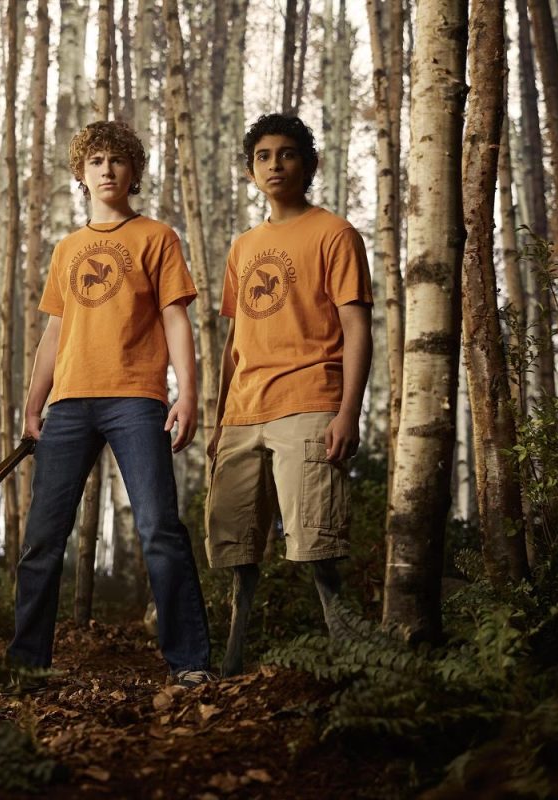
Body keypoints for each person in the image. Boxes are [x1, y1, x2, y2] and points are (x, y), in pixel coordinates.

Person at [8, 120, 212, 686]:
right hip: (68, 404)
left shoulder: (156, 237)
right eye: (95, 161)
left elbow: (176, 318)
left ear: (133, 173)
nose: (107, 170)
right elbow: (54, 331)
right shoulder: (67, 248)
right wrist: (33, 406)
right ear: (81, 174)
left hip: (136, 398)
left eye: (118, 161)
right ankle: (27, 664)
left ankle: (190, 661)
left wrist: (187, 393)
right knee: (44, 538)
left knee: (158, 528)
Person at [205, 114, 373, 674]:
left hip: (310, 400)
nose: (275, 165)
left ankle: (352, 661)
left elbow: (356, 329)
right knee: (235, 545)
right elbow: (236, 340)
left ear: (308, 164)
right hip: (242, 412)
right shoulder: (244, 246)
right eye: (263, 156)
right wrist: (220, 419)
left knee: (318, 543)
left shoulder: (335, 233)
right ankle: (232, 658)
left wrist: (348, 413)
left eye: (287, 154)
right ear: (251, 171)